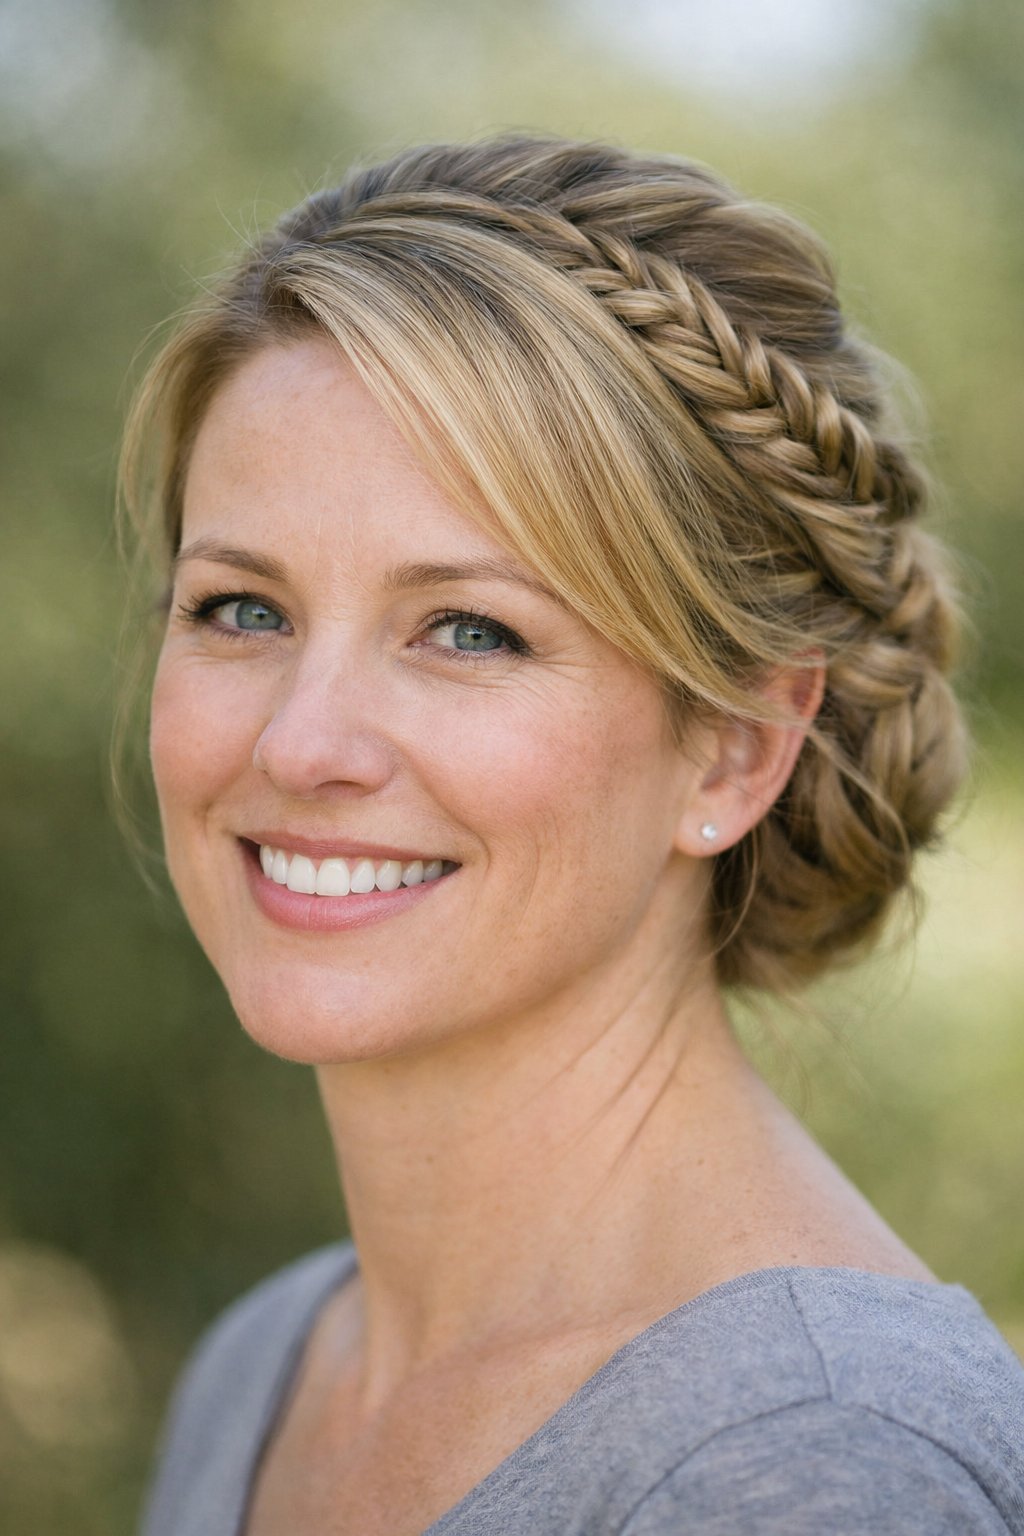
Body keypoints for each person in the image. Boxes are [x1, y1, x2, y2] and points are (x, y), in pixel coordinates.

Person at [129, 135, 1024, 1535]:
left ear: (737, 744)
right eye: (243, 609)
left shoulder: (817, 1469)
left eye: (468, 630)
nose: (299, 743)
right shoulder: (267, 1368)